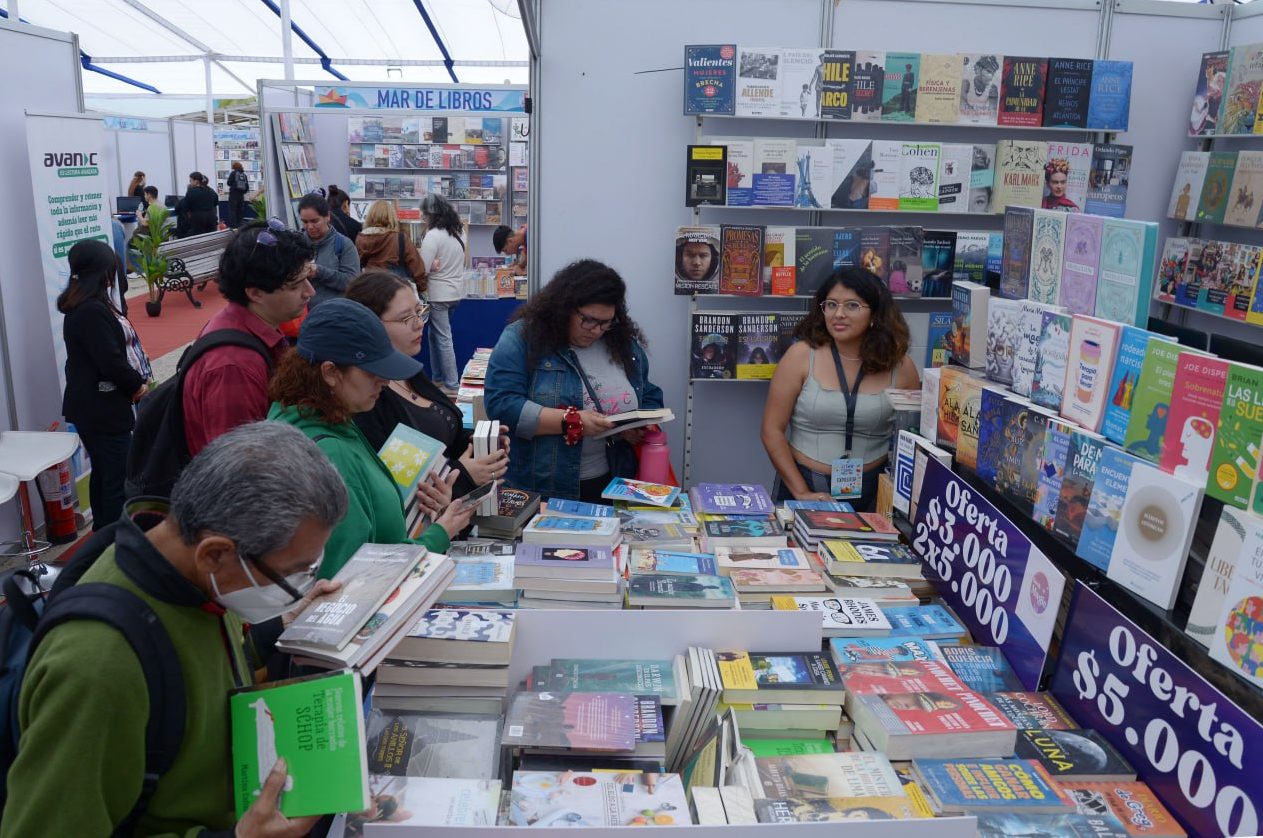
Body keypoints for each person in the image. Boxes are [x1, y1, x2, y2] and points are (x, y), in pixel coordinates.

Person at [0, 421, 348, 837]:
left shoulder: (184, 568)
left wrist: (282, 620)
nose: (297, 586)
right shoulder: (96, 665)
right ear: (215, 554)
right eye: (291, 574)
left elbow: (197, 664)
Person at [267, 298, 473, 577]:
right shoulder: (331, 453)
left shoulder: (304, 416)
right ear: (330, 372)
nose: (385, 381)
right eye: (372, 371)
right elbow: (353, 576)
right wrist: (439, 534)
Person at [484, 259, 663, 502]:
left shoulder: (621, 344)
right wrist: (571, 421)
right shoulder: (523, 339)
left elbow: (648, 393)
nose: (596, 330)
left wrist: (638, 425)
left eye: (605, 322)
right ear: (564, 308)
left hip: (613, 481)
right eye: (588, 320)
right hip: (544, 488)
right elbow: (502, 405)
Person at [761, 267, 919, 513]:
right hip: (802, 486)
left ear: (875, 313)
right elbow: (771, 430)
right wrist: (802, 492)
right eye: (831, 304)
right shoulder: (801, 356)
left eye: (852, 306)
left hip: (874, 492)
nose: (839, 314)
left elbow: (914, 437)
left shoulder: (902, 367)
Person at [347, 271, 509, 497]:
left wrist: (475, 441)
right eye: (406, 318)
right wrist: (464, 474)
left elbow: (440, 434)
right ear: (370, 325)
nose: (419, 324)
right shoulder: (367, 397)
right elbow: (397, 485)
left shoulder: (409, 371)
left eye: (420, 311)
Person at [181, 219, 314, 457]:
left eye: (308, 278)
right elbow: (240, 467)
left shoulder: (251, 326)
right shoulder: (233, 365)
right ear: (255, 293)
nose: (309, 292)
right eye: (295, 285)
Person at [59, 239, 151, 528]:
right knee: (115, 480)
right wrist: (137, 385)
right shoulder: (90, 311)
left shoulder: (88, 305)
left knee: (104, 474)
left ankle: (103, 535)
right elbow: (110, 361)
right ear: (101, 271)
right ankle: (112, 540)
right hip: (102, 409)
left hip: (94, 408)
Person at [420, 194, 467, 395]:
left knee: (442, 338)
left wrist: (430, 265)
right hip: (455, 292)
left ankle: (451, 383)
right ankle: (438, 378)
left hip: (438, 293)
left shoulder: (432, 236)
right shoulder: (459, 231)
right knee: (436, 336)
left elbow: (422, 268)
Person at [298, 191, 360, 309]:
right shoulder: (296, 242)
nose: (310, 227)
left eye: (315, 221)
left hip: (333, 314)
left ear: (327, 217)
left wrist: (318, 271)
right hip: (300, 317)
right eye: (305, 222)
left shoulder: (343, 244)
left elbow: (352, 282)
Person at [355, 200, 428, 295]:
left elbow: (358, 265)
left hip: (370, 289)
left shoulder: (361, 239)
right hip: (396, 290)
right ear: (391, 217)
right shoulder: (399, 238)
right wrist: (421, 288)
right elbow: (417, 267)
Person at [176, 171, 219, 237]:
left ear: (196, 181)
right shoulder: (211, 190)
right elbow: (216, 202)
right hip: (211, 218)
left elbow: (185, 207)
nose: (190, 182)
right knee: (211, 237)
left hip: (198, 219)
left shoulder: (191, 192)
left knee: (199, 238)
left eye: (191, 180)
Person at [226, 161, 250, 228]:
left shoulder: (233, 173)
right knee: (240, 210)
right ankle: (240, 225)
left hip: (233, 194)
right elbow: (247, 186)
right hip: (241, 195)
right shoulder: (244, 175)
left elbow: (228, 183)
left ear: (234, 167)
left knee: (232, 210)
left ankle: (233, 226)